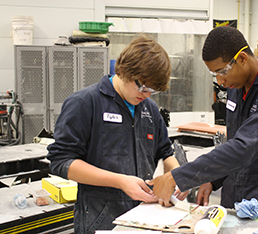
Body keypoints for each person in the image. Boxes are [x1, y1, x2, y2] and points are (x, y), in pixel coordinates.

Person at [148, 26, 258, 212]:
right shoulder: (235, 87)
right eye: (215, 74)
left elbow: (244, 148)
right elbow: (233, 142)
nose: (220, 81)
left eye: (222, 71)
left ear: (243, 59)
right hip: (233, 191)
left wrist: (177, 176)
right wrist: (213, 179)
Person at [47, 35, 186, 233]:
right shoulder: (85, 103)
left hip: (145, 216)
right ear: (122, 70)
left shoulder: (150, 109)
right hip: (100, 220)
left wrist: (176, 177)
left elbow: (166, 153)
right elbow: (61, 162)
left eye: (152, 91)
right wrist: (120, 181)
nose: (146, 94)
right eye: (142, 86)